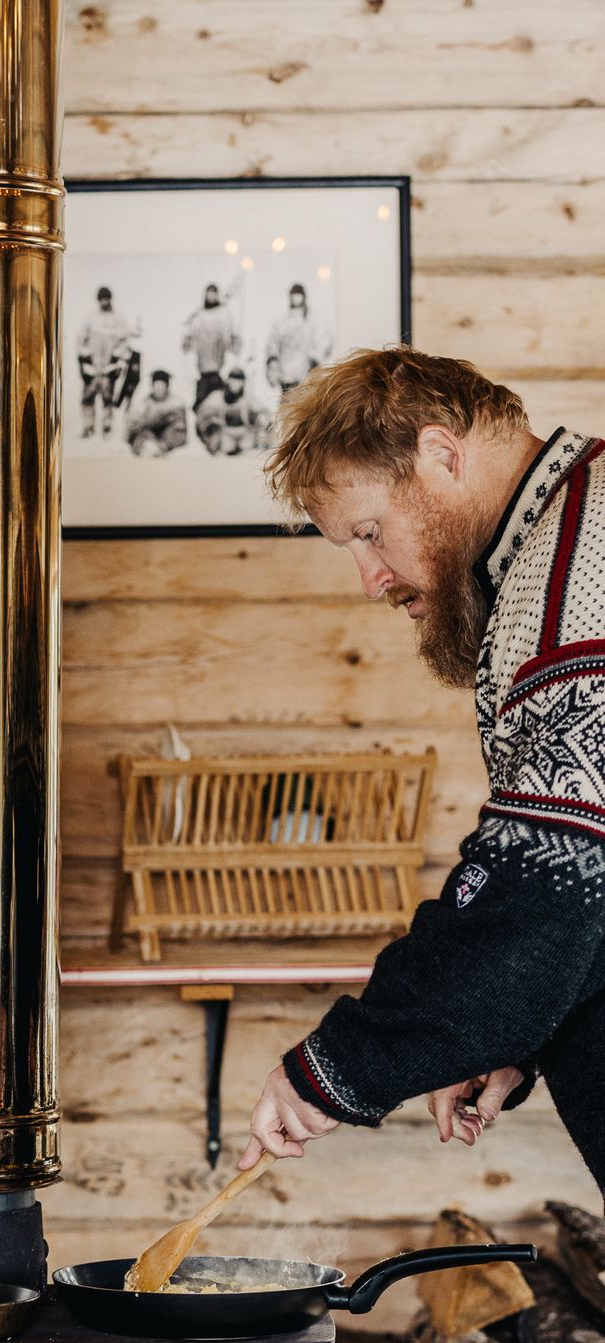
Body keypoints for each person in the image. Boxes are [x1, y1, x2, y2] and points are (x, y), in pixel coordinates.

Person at [237, 347, 605, 1195]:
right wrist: (507, 1030)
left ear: (443, 455)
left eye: (370, 533)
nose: (370, 579)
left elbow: (543, 897)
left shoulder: (570, 585)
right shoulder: (566, 534)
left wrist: (332, 1069)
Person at [77, 286, 138, 439]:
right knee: (87, 398)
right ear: (98, 300)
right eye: (101, 298)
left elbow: (124, 342)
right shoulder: (91, 318)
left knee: (107, 398)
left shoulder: (118, 319)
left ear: (110, 299)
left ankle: (107, 428)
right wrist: (85, 361)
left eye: (107, 298)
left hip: (108, 368)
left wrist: (115, 361)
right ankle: (88, 427)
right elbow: (81, 340)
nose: (104, 301)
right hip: (93, 368)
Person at [181, 282, 239, 419]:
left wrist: (234, 353)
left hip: (220, 371)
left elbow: (233, 338)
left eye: (214, 294)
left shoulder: (225, 315)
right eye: (209, 294)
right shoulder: (199, 315)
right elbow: (188, 340)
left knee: (220, 404)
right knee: (200, 405)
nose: (211, 297)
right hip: (202, 371)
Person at [264, 283, 333, 396]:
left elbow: (325, 341)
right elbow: (272, 346)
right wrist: (273, 367)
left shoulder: (313, 321)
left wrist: (314, 360)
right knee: (287, 408)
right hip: (286, 379)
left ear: (304, 297)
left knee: (304, 408)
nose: (296, 298)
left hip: (306, 378)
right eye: (294, 294)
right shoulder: (282, 322)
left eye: (299, 295)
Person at [194, 365, 273, 456]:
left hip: (245, 437)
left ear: (243, 383)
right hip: (224, 436)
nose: (235, 383)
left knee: (263, 422)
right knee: (217, 437)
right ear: (228, 381)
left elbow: (265, 413)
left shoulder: (247, 398)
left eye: (238, 380)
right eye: (233, 379)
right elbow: (201, 414)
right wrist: (212, 424)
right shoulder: (217, 397)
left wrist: (265, 422)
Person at [126, 368, 188, 457]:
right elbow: (133, 424)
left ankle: (161, 447)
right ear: (152, 386)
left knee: (178, 428)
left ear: (166, 387)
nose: (158, 389)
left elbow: (181, 423)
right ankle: (149, 447)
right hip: (149, 435)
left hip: (167, 438)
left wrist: (164, 418)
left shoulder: (176, 402)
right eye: (156, 386)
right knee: (141, 436)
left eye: (161, 386)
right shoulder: (144, 403)